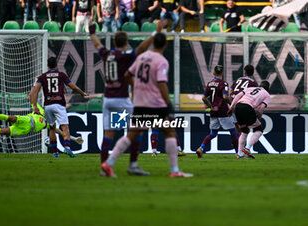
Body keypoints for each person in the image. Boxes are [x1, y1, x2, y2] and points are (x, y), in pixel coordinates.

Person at [101, 32, 193, 178]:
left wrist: (136, 89)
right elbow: (161, 83)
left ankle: (109, 163)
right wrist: (168, 104)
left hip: (139, 102)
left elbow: (127, 75)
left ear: (153, 43)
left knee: (131, 135)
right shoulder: (161, 60)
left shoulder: (141, 57)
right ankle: (174, 170)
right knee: (169, 132)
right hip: (155, 103)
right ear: (165, 44)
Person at [89, 21, 165, 176]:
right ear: (126, 43)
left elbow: (97, 45)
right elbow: (142, 48)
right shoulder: (124, 56)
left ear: (115, 42)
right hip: (121, 99)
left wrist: (92, 33)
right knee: (140, 128)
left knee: (108, 133)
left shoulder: (107, 54)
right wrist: (154, 34)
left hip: (108, 100)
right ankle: (133, 164)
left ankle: (104, 167)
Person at [30, 57, 88, 158]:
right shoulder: (61, 75)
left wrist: (35, 106)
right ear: (56, 64)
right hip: (59, 104)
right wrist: (82, 93)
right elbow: (73, 87)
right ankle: (67, 148)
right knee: (65, 127)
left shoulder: (42, 77)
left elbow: (35, 91)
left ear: (47, 65)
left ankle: (55, 152)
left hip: (47, 105)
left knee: (52, 128)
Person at [0, 105, 84, 150]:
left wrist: (74, 139)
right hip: (27, 120)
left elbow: (60, 132)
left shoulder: (50, 124)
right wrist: (35, 83)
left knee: (2, 131)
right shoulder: (41, 110)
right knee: (12, 118)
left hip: (25, 130)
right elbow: (32, 99)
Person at [196, 65, 239, 158]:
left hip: (213, 111)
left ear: (214, 73)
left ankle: (201, 148)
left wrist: (211, 106)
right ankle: (238, 153)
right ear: (222, 73)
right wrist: (232, 105)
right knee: (233, 131)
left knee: (213, 133)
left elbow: (203, 98)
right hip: (223, 111)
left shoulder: (209, 84)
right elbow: (225, 97)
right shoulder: (224, 84)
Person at [227, 81, 270, 159]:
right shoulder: (266, 94)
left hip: (238, 107)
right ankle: (247, 148)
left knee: (244, 131)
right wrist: (259, 119)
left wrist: (231, 107)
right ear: (268, 88)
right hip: (247, 107)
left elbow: (237, 96)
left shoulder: (250, 88)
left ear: (260, 85)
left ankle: (239, 154)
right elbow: (261, 109)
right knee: (259, 130)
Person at [229, 64, 258, 133]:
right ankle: (243, 140)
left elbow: (230, 90)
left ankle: (239, 140)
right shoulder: (253, 83)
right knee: (245, 126)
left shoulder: (238, 79)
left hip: (233, 102)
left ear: (244, 72)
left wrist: (231, 99)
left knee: (236, 123)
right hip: (243, 104)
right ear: (253, 73)